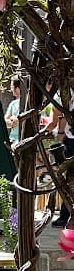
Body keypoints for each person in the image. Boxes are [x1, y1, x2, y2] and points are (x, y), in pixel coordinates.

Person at [46, 90, 74, 227]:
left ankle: (66, 214)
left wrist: (61, 133)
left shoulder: (64, 90)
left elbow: (59, 113)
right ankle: (66, 214)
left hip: (71, 139)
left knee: (68, 176)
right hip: (71, 138)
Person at [4, 76, 21, 149]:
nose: (11, 89)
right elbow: (5, 121)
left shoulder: (28, 103)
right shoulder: (13, 104)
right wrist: (13, 122)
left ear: (17, 88)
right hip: (12, 140)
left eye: (11, 86)